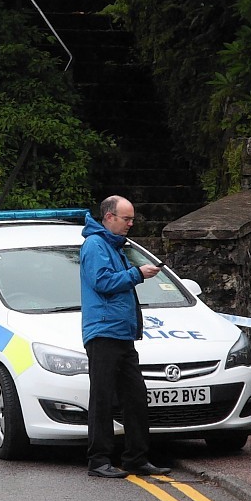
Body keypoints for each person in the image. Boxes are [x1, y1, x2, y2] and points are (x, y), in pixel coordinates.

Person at [79, 195, 171, 479]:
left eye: (132, 218)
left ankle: (136, 458)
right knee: (103, 399)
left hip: (120, 333)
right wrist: (137, 274)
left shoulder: (112, 245)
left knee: (135, 397)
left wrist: (135, 273)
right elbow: (102, 282)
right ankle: (99, 460)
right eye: (126, 218)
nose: (131, 223)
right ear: (109, 217)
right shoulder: (95, 245)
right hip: (103, 332)